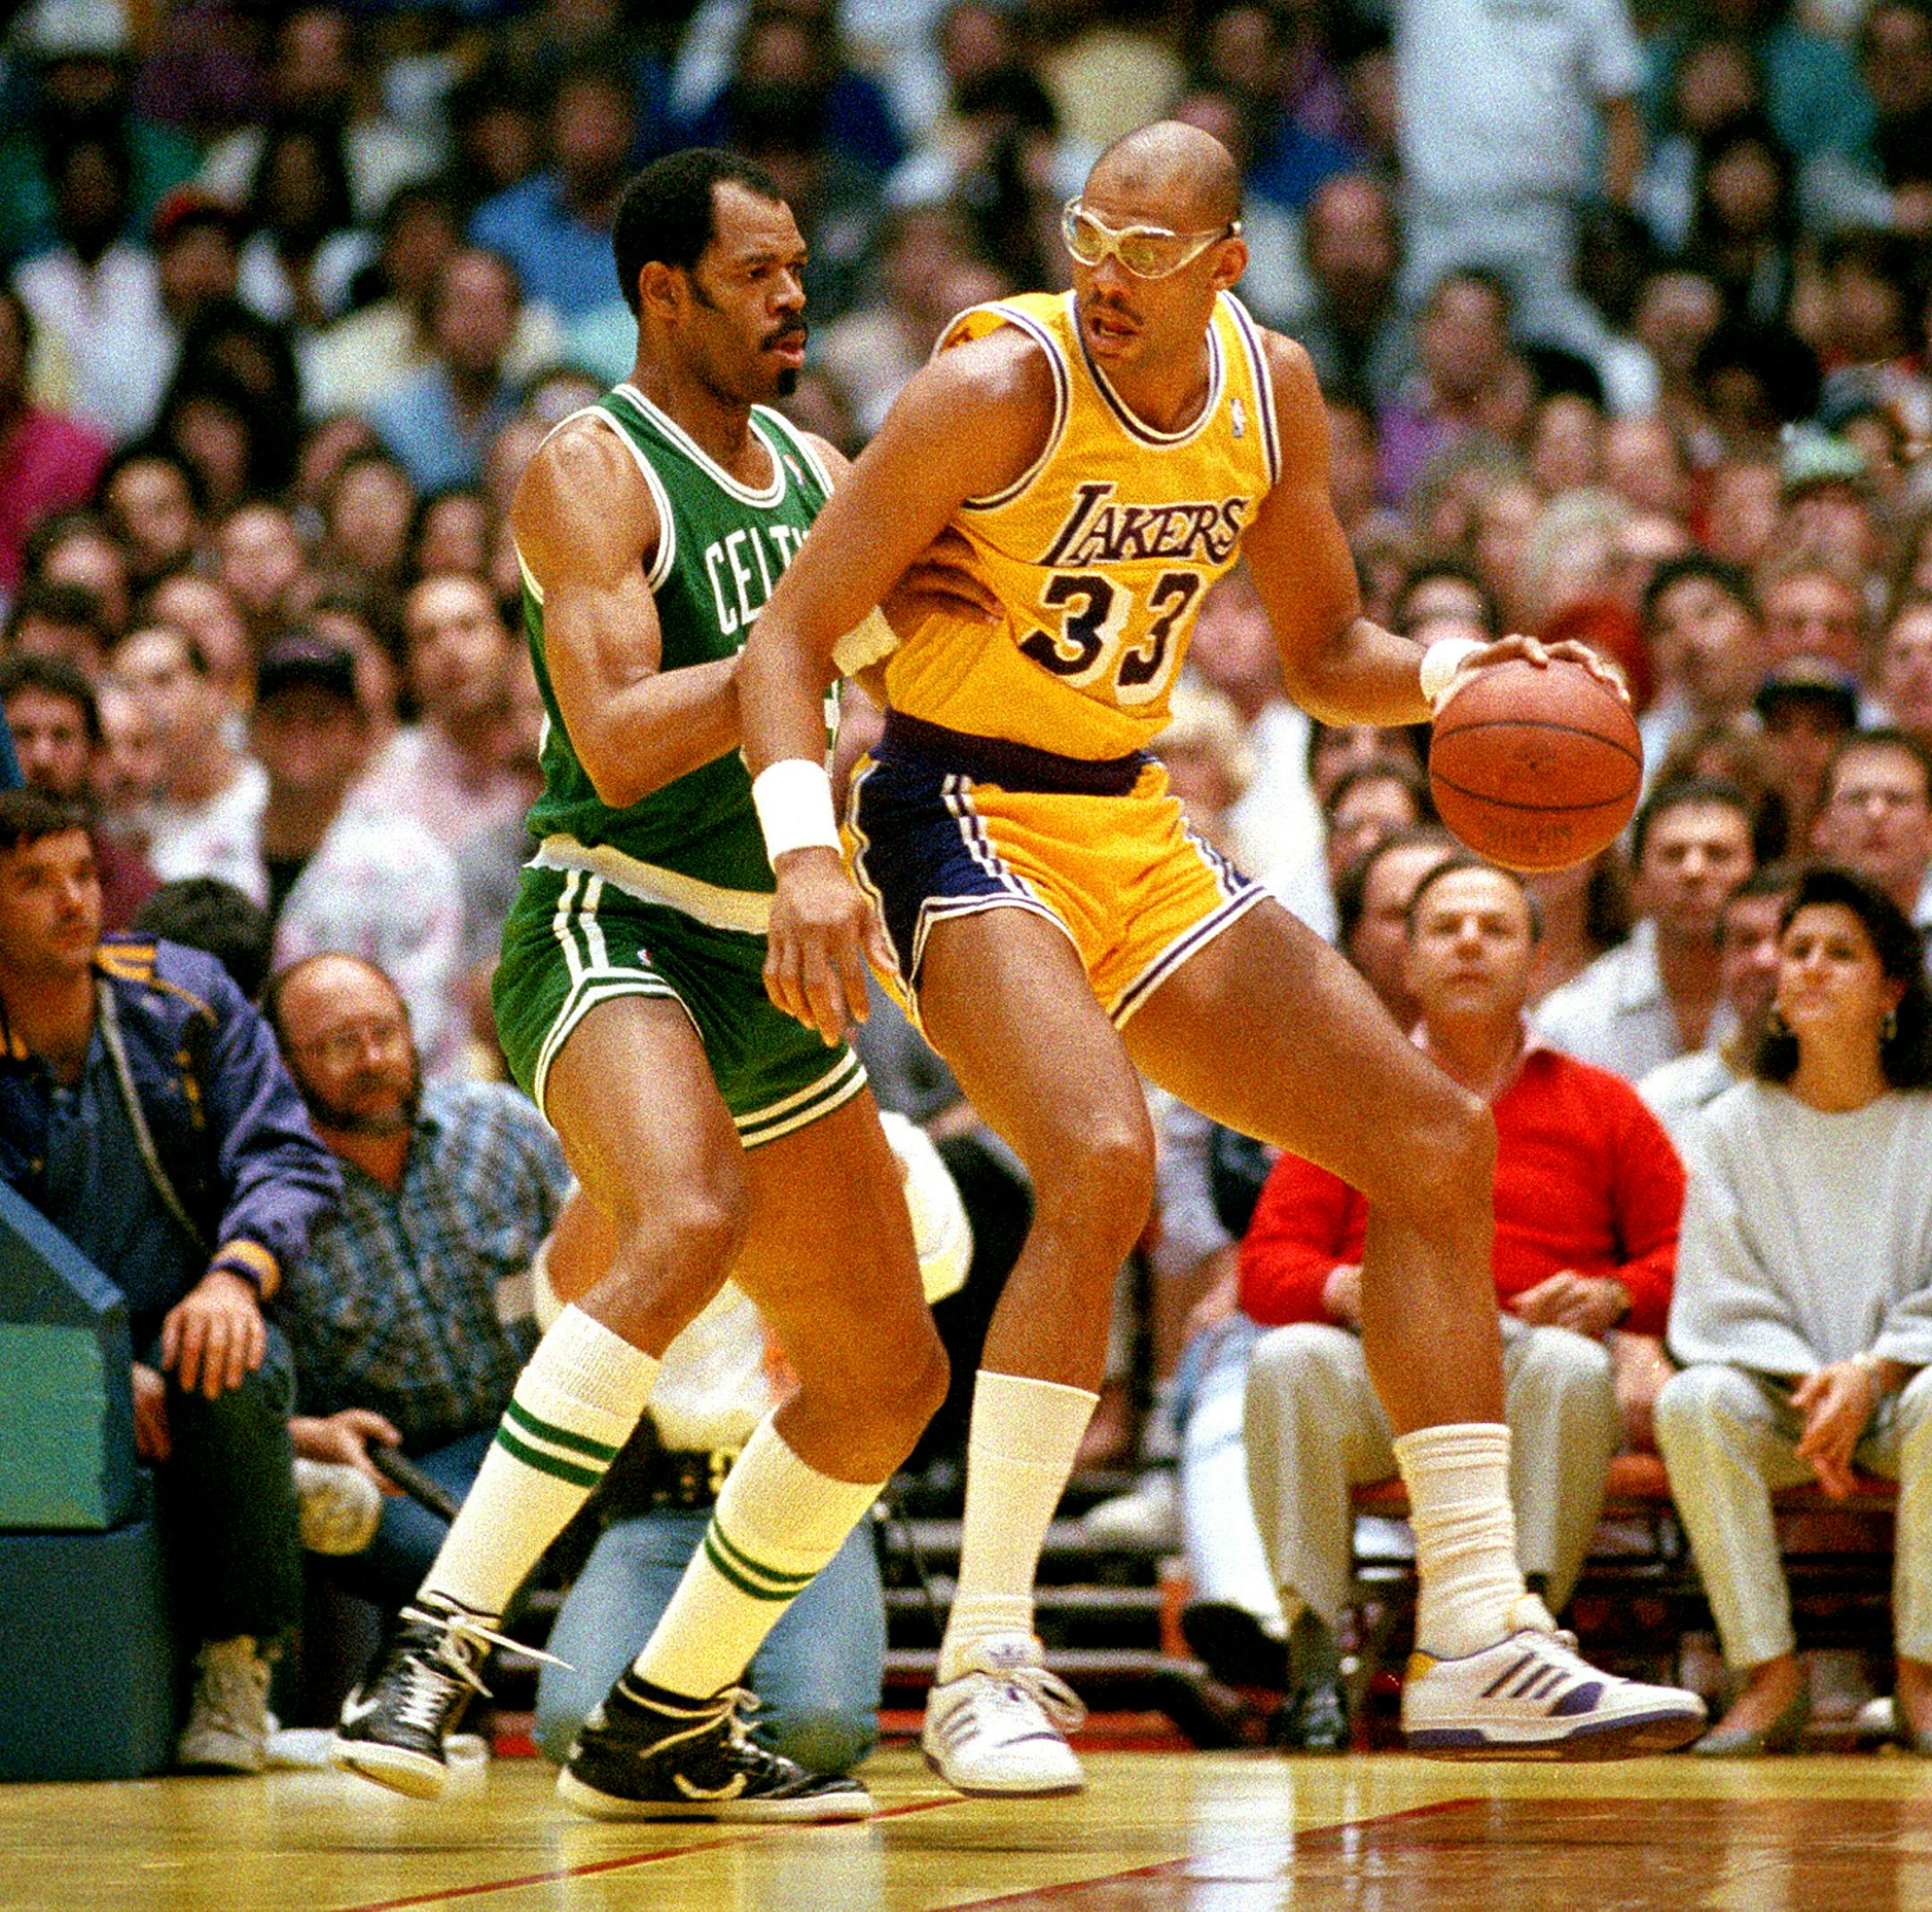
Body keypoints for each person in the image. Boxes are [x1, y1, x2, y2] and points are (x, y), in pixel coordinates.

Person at [737, 120, 1704, 1787]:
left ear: (1228, 265)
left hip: (1130, 814)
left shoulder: (1275, 387)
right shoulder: (995, 389)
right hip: (945, 812)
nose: (1107, 275)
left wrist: (1463, 675)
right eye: (1086, 235)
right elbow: (788, 636)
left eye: (1149, 251)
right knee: (1102, 1161)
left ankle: (1477, 1629)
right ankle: (984, 1657)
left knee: (1430, 1135)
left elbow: (1327, 650)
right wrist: (802, 853)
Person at [330, 148, 949, 1821]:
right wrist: (793, 653)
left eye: (804, 265)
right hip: (610, 919)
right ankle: (439, 1640)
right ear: (665, 290)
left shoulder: (820, 466)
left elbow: (898, 672)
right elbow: (609, 736)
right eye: (759, 270)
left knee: (889, 1371)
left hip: (770, 945)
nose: (796, 295)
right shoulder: (591, 471)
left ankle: (665, 1707)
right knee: (680, 1219)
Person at [1240, 859, 1684, 1747]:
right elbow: (1264, 1265)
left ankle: (1513, 1635)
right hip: (1385, 1367)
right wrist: (1338, 1285)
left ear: (1539, 959)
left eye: (1495, 927)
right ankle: (1314, 1659)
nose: (1470, 942)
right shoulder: (1355, 1096)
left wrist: (1614, 1294)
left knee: (1567, 1364)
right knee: (1286, 1358)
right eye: (1445, 927)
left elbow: (1685, 1256)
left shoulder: (1605, 1104)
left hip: (1530, 1361)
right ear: (1407, 961)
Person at [0, 788, 339, 1772]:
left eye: (84, 875)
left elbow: (286, 1158)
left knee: (228, 1361)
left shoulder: (182, 997)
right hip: (37, 1347)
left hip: (196, 1317)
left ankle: (237, 1662)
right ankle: (276, 1478)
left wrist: (234, 1281)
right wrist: (97, 1375)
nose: (74, 902)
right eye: (34, 883)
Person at [1656, 866, 1932, 1755]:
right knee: (1692, 1401)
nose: (1809, 966)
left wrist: (1874, 1370)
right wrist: (1818, 1385)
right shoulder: (1735, 1123)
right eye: (1798, 949)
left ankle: (1921, 1673)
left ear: (1891, 987)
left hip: (1905, 1392)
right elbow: (1720, 1290)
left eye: (1839, 953)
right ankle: (1770, 1675)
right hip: (1791, 1400)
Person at [263, 953, 570, 1608]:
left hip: (554, 1431)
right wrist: (311, 1436)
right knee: (459, 1559)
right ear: (286, 1066)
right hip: (411, 1470)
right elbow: (263, 1390)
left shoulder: (501, 1129)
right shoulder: (275, 1206)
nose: (372, 1059)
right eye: (340, 1045)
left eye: (386, 1032)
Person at [1535, 777, 1757, 1079]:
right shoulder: (1571, 1019)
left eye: (1717, 854)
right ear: (1638, 877)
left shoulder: (1785, 1004)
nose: (1694, 871)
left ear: (1756, 875)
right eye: (1673, 854)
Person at [1640, 861, 1801, 1146]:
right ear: (1720, 962)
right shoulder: (1663, 1100)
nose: (1764, 960)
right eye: (1746, 941)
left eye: (1787, 941)